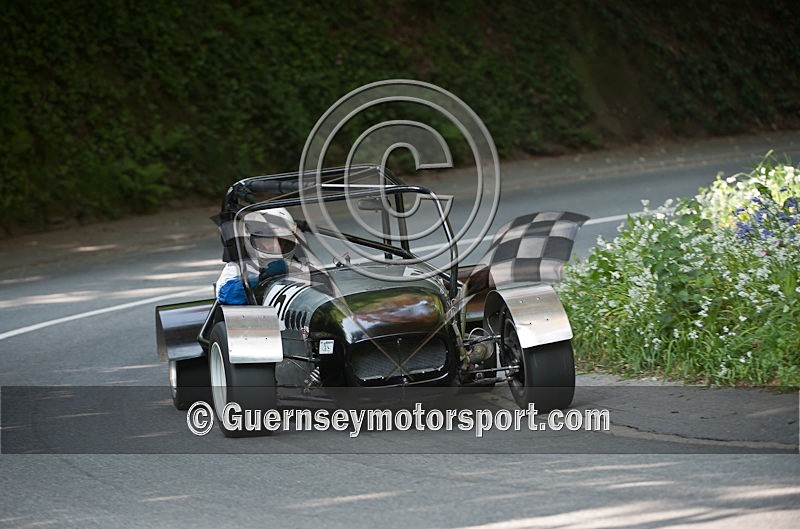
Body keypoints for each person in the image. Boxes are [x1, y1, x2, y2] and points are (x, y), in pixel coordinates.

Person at [215, 208, 299, 304]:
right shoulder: (239, 267)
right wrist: (260, 279)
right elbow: (227, 296)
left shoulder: (297, 263)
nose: (276, 246)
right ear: (251, 240)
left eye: (281, 240)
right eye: (268, 240)